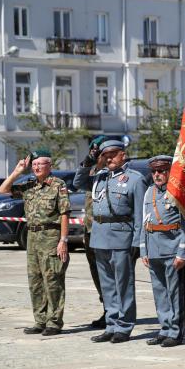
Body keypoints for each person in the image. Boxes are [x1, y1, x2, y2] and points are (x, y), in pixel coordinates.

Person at [73, 140, 146, 343]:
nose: (109, 158)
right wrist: (89, 160)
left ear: (123, 155)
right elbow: (77, 183)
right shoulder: (99, 177)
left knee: (123, 284)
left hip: (122, 237)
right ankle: (111, 324)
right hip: (99, 236)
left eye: (113, 154)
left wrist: (138, 242)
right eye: (105, 155)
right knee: (107, 285)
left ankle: (124, 326)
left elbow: (140, 213)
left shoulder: (134, 179)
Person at [0, 149, 70, 336]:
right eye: (34, 164)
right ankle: (40, 320)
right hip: (32, 237)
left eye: (41, 164)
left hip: (51, 236)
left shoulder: (58, 185)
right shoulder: (29, 184)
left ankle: (54, 322)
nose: (37, 167)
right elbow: (3, 190)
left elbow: (64, 214)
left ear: (50, 166)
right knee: (35, 281)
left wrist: (63, 240)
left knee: (53, 280)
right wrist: (17, 172)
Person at [141, 155, 185, 348]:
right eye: (154, 171)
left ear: (170, 172)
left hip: (172, 249)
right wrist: (143, 249)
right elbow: (143, 222)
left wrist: (183, 252)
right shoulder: (148, 192)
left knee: (175, 292)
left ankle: (176, 332)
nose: (157, 175)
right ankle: (164, 329)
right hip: (153, 248)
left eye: (161, 171)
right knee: (160, 292)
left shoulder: (178, 192)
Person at [82, 136, 107, 328]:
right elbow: (76, 181)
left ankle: (116, 310)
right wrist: (89, 162)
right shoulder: (91, 173)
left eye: (100, 153)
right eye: (96, 154)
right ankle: (107, 308)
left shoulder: (114, 174)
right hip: (89, 231)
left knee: (111, 274)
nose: (98, 157)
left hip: (108, 232)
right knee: (96, 273)